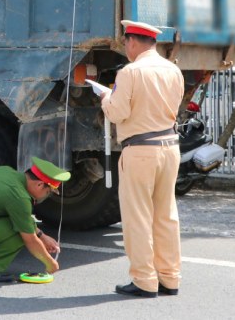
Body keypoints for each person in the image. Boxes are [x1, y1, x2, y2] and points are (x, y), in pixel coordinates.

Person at [97, 20, 184, 298]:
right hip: (170, 148)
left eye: (125, 43)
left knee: (138, 217)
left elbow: (118, 113)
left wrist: (105, 98)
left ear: (132, 42)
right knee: (166, 216)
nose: (126, 48)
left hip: (141, 150)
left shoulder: (130, 72)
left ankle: (144, 280)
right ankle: (170, 278)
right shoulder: (173, 70)